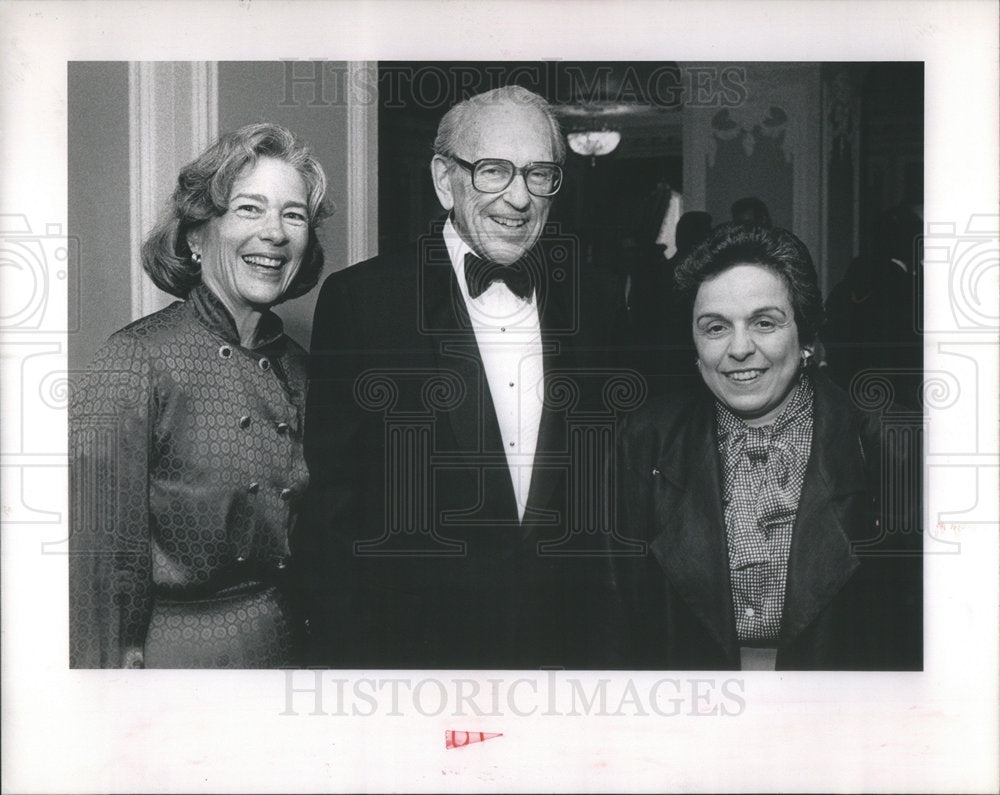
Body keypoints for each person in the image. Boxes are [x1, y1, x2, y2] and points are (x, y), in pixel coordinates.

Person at [299, 86, 626, 669]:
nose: (519, 198)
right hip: (413, 657)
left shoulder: (597, 303)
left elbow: (612, 496)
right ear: (445, 180)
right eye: (494, 171)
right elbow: (333, 515)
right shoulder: (363, 304)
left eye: (540, 173)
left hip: (566, 654)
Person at [69, 123, 330, 668]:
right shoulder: (133, 360)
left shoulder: (305, 370)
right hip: (169, 660)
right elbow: (99, 570)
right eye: (249, 209)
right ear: (195, 236)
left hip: (290, 653)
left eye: (294, 214)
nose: (275, 233)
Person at [613, 223, 922, 670]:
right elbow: (617, 623)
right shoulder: (645, 441)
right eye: (715, 327)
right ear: (694, 344)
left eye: (764, 322)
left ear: (806, 337)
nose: (740, 349)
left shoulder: (890, 444)